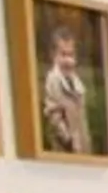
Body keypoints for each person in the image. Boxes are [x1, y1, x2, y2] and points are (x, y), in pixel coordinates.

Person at [39, 18, 96, 155]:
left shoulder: (75, 81)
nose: (68, 60)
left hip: (82, 147)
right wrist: (69, 140)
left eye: (71, 55)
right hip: (65, 150)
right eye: (63, 55)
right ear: (53, 55)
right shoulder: (53, 80)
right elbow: (53, 115)